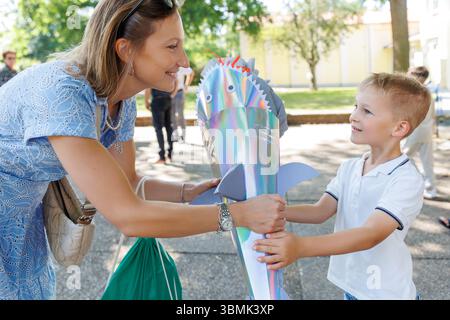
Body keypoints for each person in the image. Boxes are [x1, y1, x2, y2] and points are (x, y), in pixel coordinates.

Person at [0, 0, 286, 300]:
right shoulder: (64, 96)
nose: (184, 60)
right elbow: (128, 216)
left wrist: (188, 191)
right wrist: (236, 215)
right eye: (172, 46)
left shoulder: (121, 102)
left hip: (20, 229)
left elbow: (129, 183)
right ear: (125, 50)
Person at [254, 73, 431, 300]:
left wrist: (300, 246)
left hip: (386, 293)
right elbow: (320, 211)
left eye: (366, 111)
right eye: (356, 106)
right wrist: (273, 209)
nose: (353, 116)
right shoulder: (350, 167)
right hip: (353, 286)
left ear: (399, 128)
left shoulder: (406, 179)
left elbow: (370, 234)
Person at [403, 66, 438, 199]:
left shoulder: (414, 94)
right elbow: (433, 115)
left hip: (416, 131)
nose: (407, 75)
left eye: (410, 74)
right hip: (427, 131)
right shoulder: (428, 93)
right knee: (427, 162)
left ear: (418, 77)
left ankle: (419, 182)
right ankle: (431, 189)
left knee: (403, 158)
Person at [145, 87, 173, 164]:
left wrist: (146, 101)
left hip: (157, 100)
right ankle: (170, 155)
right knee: (169, 127)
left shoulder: (152, 74)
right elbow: (176, 81)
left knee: (158, 128)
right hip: (168, 99)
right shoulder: (167, 73)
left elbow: (148, 88)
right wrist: (171, 95)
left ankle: (162, 157)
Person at [171, 66, 193, 143]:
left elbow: (191, 73)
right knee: (172, 115)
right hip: (169, 94)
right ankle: (175, 134)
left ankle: (183, 134)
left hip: (179, 93)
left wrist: (186, 85)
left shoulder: (181, 67)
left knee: (180, 114)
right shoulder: (168, 65)